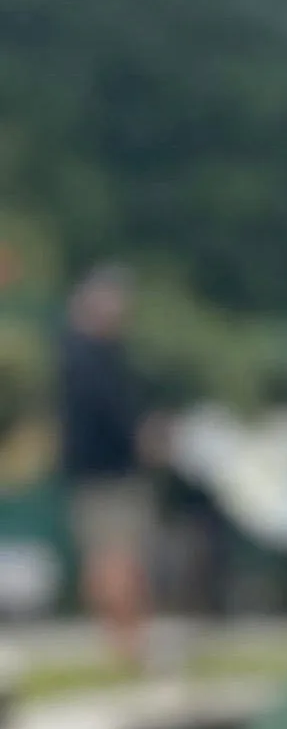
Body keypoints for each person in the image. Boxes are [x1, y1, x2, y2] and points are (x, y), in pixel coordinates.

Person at [55, 263, 159, 662]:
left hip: (98, 475)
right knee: (116, 559)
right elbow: (112, 420)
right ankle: (125, 643)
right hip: (107, 476)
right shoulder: (87, 357)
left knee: (112, 558)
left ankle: (124, 641)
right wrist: (142, 440)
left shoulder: (91, 354)